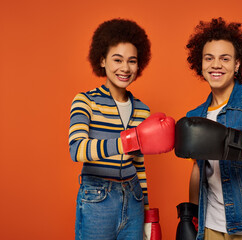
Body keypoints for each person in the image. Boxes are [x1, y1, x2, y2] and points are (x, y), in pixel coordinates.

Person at [175, 18, 242, 240]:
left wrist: (220, 141)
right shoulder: (194, 116)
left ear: (237, 64)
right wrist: (190, 216)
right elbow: (198, 170)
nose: (216, 65)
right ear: (201, 64)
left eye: (224, 59)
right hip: (212, 225)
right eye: (209, 58)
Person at [68, 18, 173, 240]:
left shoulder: (142, 110)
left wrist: (147, 213)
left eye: (132, 61)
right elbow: (77, 149)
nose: (125, 68)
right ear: (102, 60)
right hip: (97, 198)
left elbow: (139, 165)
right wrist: (128, 140)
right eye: (117, 59)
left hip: (133, 198)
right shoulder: (85, 101)